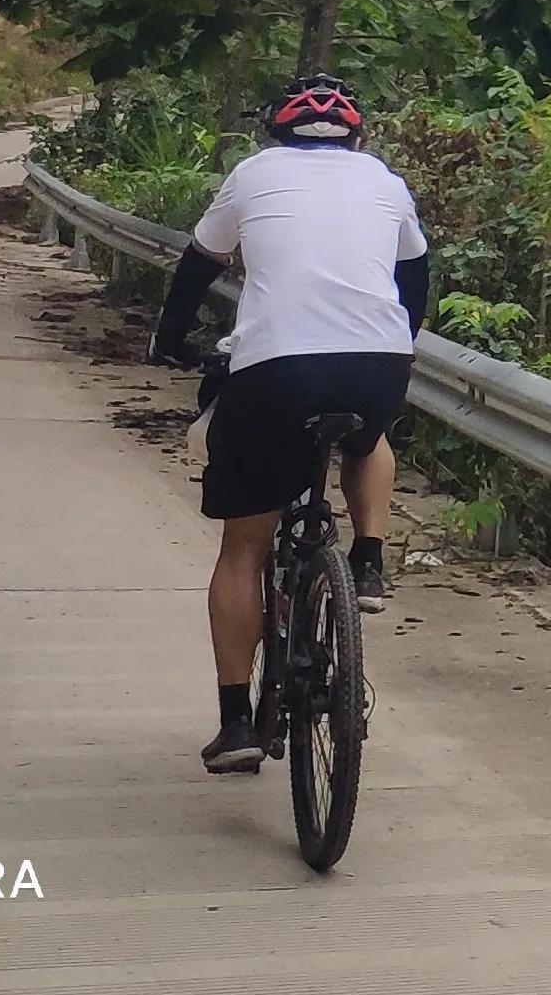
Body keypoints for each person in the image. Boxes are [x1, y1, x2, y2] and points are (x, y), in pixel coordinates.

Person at [149, 71, 427, 775]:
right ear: (358, 137)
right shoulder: (385, 181)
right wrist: (399, 344)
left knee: (243, 547)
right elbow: (414, 277)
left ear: (275, 133)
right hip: (377, 361)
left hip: (276, 370)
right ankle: (366, 560)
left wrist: (169, 339)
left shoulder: (251, 174)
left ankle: (237, 721)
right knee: (369, 435)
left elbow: (198, 265)